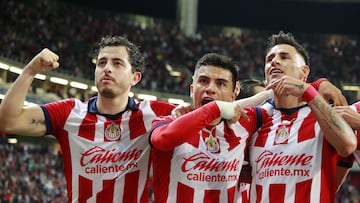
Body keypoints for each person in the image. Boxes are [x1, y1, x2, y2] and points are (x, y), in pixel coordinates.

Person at [0, 36, 176, 203]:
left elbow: (200, 117)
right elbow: (8, 121)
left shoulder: (154, 113)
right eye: (101, 63)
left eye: (117, 63)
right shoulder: (69, 113)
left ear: (135, 77)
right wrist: (30, 71)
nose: (107, 68)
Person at [149, 53, 275, 202]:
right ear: (191, 89)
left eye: (221, 83)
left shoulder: (246, 123)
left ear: (235, 92)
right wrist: (216, 108)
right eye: (203, 81)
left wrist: (269, 93)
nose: (210, 89)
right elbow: (163, 140)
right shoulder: (168, 121)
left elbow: (286, 101)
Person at [247, 31, 357, 202]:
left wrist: (308, 90)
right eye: (269, 59)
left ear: (304, 72)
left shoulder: (322, 115)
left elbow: (347, 145)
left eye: (284, 57)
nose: (274, 61)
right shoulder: (257, 119)